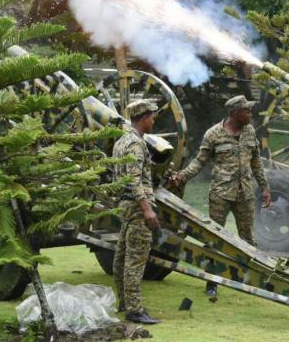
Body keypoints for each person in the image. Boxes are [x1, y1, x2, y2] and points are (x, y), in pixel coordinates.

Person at [171, 95, 271, 298]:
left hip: (245, 194)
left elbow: (256, 163)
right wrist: (182, 176)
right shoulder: (213, 134)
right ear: (235, 113)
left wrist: (265, 188)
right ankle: (211, 282)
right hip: (221, 194)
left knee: (249, 239)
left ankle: (253, 281)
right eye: (247, 111)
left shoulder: (250, 131)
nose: (250, 114)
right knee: (214, 239)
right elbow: (199, 161)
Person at [112, 99, 161, 325]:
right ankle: (134, 309)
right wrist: (147, 209)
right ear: (143, 118)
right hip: (137, 206)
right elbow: (133, 180)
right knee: (135, 259)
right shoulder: (136, 144)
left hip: (125, 205)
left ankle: (124, 301)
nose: (153, 121)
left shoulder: (121, 141)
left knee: (122, 255)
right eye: (151, 117)